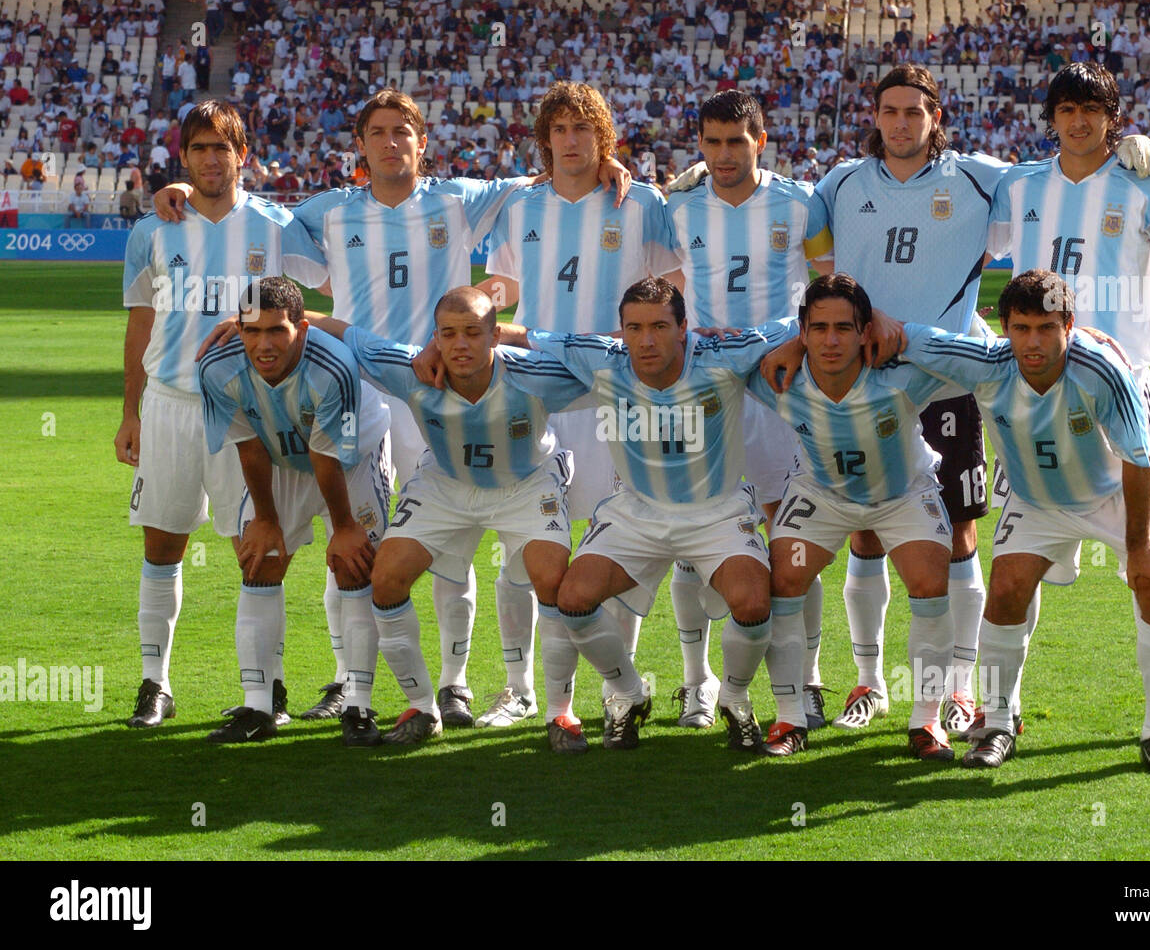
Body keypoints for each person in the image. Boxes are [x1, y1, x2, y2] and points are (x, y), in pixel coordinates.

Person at [158, 87, 629, 728]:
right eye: (377, 132)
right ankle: (345, 682)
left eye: (401, 132)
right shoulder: (327, 212)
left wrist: (604, 165)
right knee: (351, 541)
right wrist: (186, 195)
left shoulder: (459, 199)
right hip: (354, 391)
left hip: (442, 390)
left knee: (451, 548)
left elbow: (547, 177)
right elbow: (247, 213)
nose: (390, 143)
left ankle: (455, 684)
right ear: (361, 145)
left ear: (422, 141)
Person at [763, 63, 1150, 737]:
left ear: (935, 116)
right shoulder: (838, 184)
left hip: (949, 384)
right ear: (875, 116)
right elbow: (776, 215)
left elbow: (1065, 170)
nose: (900, 123)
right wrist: (682, 186)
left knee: (956, 535)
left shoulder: (982, 178)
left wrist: (1128, 155)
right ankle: (869, 681)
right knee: (866, 530)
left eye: (913, 112)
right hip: (861, 388)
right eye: (888, 110)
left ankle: (955, 689)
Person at [422, 81, 676, 733]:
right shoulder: (519, 202)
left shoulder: (642, 201)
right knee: (520, 547)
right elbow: (508, 280)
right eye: (559, 129)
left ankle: (618, 690)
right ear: (544, 140)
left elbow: (674, 290)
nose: (571, 141)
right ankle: (519, 689)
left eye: (583, 129)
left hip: (614, 395)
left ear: (604, 138)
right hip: (534, 391)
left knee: (618, 547)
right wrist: (479, 302)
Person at [884, 269, 1150, 774]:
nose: (1033, 341)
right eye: (1022, 328)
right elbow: (914, 337)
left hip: (1117, 491)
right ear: (1004, 327)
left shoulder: (1103, 370)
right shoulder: (986, 363)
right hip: (1037, 498)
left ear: (1069, 325)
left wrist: (1138, 547)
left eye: (1047, 327)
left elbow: (1139, 459)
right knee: (1005, 590)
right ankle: (999, 723)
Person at [983, 62, 1150, 735]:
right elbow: (951, 204)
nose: (1079, 121)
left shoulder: (1144, 185)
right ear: (1050, 117)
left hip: (1122, 392)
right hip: (1034, 390)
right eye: (1067, 109)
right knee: (1015, 569)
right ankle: (1000, 713)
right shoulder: (1020, 185)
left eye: (1093, 109)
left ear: (1112, 118)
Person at [495, 277, 794, 754]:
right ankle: (631, 694)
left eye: (659, 326)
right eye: (634, 328)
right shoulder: (603, 358)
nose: (646, 340)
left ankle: (735, 698)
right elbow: (521, 333)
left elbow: (803, 323)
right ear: (621, 332)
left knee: (754, 604)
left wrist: (802, 343)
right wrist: (454, 337)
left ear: (684, 328)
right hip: (636, 511)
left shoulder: (723, 355)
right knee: (572, 598)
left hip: (717, 510)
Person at [307, 287, 597, 745]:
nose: (460, 345)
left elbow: (611, 359)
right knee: (386, 578)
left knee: (553, 582)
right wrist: (271, 316)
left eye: (472, 333)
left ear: (494, 334)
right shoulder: (410, 368)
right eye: (448, 334)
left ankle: (559, 713)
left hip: (526, 484)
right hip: (445, 484)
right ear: (434, 338)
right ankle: (423, 709)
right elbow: (343, 330)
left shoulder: (535, 374)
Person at [118, 101, 327, 730]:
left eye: (223, 147)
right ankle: (156, 683)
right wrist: (130, 411)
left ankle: (266, 691)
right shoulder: (153, 228)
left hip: (252, 412)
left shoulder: (275, 223)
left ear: (245, 155)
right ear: (184, 157)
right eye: (200, 148)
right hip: (172, 405)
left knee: (260, 551)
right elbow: (140, 321)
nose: (212, 158)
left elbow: (327, 270)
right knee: (162, 546)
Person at [662, 89, 834, 731]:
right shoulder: (678, 204)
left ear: (761, 141)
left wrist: (798, 339)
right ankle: (695, 683)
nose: (725, 154)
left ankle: (804, 680)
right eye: (712, 142)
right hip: (702, 383)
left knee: (790, 535)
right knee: (689, 533)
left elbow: (826, 279)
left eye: (738, 141)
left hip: (778, 380)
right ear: (699, 146)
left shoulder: (800, 201)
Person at [752, 273, 960, 758]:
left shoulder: (903, 377)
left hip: (903, 495)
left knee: (930, 583)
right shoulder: (780, 378)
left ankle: (926, 722)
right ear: (800, 334)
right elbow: (714, 354)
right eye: (818, 328)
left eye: (844, 328)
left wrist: (903, 330)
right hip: (821, 495)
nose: (830, 340)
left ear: (866, 331)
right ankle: (789, 717)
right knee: (784, 580)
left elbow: (978, 354)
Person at [198, 277, 396, 744]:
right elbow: (248, 447)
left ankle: (358, 707)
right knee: (259, 564)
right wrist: (265, 520)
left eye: (277, 331)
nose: (263, 345)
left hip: (352, 456)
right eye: (251, 331)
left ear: (302, 329)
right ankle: (258, 705)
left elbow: (328, 457)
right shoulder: (216, 368)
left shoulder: (333, 366)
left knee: (355, 567)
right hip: (278, 452)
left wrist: (344, 527)